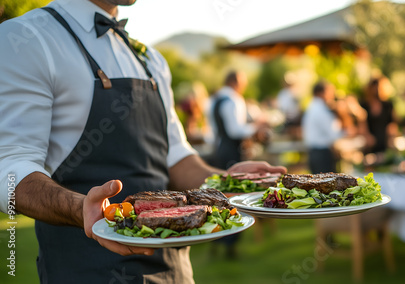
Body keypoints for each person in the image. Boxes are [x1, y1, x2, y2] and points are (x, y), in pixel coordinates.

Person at [0, 1, 286, 283]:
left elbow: (175, 155)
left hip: (174, 269)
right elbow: (9, 165)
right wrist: (80, 208)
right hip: (85, 269)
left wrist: (225, 182)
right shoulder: (25, 39)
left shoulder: (151, 59)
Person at [208, 70, 268, 170]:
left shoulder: (214, 99)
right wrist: (256, 127)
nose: (243, 88)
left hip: (219, 148)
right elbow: (235, 131)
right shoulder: (233, 100)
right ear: (234, 82)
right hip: (232, 151)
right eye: (243, 84)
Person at [302, 81, 353, 173]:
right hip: (322, 155)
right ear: (320, 93)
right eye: (330, 92)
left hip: (315, 153)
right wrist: (348, 132)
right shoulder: (320, 109)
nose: (332, 95)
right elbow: (334, 134)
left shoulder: (312, 107)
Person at [360, 77, 398, 153]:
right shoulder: (364, 105)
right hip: (371, 144)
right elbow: (362, 123)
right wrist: (367, 136)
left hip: (385, 142)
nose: (376, 90)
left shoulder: (387, 105)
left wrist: (392, 137)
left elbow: (392, 124)